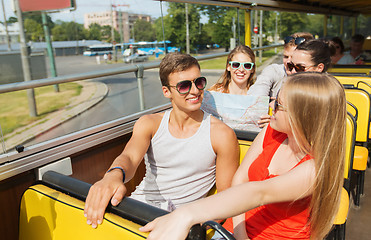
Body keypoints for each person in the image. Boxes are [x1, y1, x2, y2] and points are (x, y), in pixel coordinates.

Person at [141, 72, 346, 240]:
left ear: (302, 116)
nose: (270, 106)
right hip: (237, 226)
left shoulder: (314, 169)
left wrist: (187, 213)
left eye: (279, 105)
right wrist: (239, 231)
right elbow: (240, 179)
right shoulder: (272, 131)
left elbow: (259, 192)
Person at [84, 52, 239, 229]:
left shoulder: (221, 134)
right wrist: (113, 175)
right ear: (167, 92)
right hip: (138, 208)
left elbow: (225, 199)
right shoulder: (150, 124)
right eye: (184, 86)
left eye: (199, 82)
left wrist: (192, 224)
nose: (195, 90)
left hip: (180, 222)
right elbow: (129, 157)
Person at [246, 32, 313, 98]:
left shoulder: (316, 79)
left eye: (293, 57)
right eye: (286, 57)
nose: (288, 61)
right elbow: (257, 95)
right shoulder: (274, 71)